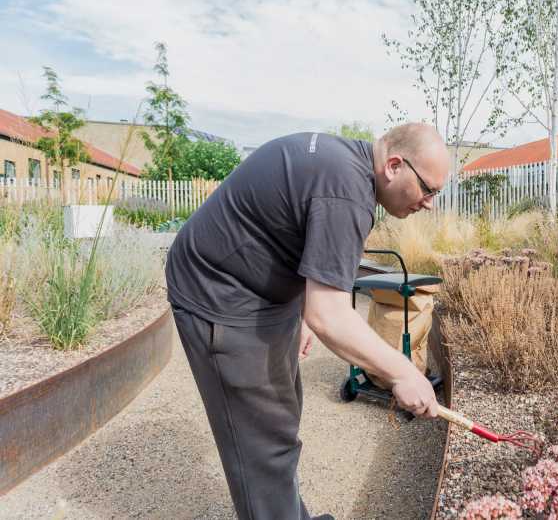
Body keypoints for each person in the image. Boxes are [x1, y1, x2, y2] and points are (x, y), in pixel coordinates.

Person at [165, 122, 450, 520]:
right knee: (261, 442)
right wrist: (403, 372)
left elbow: (290, 229)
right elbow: (330, 315)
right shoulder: (346, 194)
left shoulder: (346, 166)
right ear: (394, 165)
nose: (429, 202)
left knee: (279, 418)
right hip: (220, 294)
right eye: (428, 189)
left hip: (259, 289)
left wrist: (299, 307)